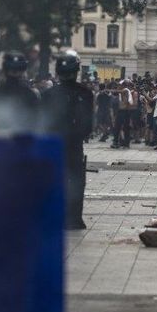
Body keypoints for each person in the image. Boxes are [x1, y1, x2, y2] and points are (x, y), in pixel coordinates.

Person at [41, 50, 94, 230]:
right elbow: (88, 123)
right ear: (76, 71)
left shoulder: (48, 94)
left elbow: (43, 121)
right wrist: (78, 135)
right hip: (74, 145)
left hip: (54, 144)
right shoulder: (85, 93)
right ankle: (74, 218)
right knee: (76, 181)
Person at [0, 51, 39, 132]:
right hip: (22, 139)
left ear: (5, 69)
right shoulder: (29, 94)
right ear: (23, 70)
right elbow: (36, 120)